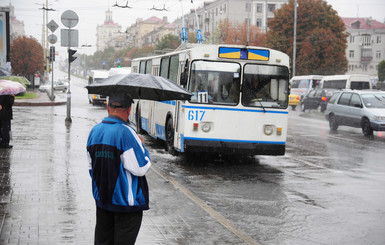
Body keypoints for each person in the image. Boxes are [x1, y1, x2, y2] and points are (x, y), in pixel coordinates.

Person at [87, 93, 151, 245]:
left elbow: (91, 167)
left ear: (108, 108)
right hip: (125, 206)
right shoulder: (126, 132)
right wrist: (141, 146)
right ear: (129, 110)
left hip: (102, 201)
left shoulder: (94, 131)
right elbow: (141, 168)